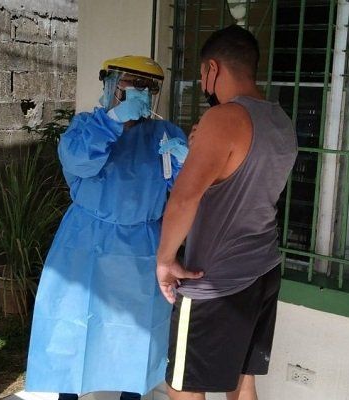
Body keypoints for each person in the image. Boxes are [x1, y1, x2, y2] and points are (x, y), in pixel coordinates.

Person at [25, 55, 191, 400]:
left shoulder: (164, 134)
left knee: (138, 332)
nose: (139, 93)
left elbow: (181, 192)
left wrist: (184, 165)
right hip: (87, 243)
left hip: (143, 246)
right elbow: (78, 161)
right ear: (111, 84)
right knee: (72, 332)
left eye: (148, 87)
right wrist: (112, 122)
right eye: (131, 84)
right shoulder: (86, 126)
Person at [155, 25, 298, 400]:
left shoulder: (224, 118)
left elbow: (184, 199)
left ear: (213, 69)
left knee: (182, 387)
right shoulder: (280, 120)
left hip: (215, 280)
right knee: (241, 380)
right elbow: (243, 180)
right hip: (263, 269)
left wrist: (166, 260)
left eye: (202, 74)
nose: (203, 83)